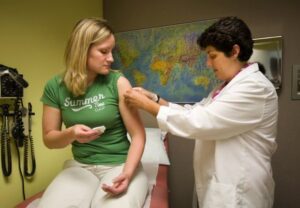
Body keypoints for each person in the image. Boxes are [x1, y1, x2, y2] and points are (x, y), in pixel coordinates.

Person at [124, 16, 278, 208]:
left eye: (212, 56)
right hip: (219, 186)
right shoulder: (226, 86)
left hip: (239, 191)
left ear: (234, 51)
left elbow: (200, 121)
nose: (208, 64)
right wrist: (154, 98)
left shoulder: (255, 88)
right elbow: (194, 111)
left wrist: (146, 106)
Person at [39, 17, 148, 208]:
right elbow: (49, 139)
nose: (111, 58)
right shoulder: (55, 87)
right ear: (82, 50)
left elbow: (138, 135)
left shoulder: (118, 82)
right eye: (103, 51)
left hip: (119, 164)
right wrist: (70, 133)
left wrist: (128, 174)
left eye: (111, 51)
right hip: (81, 167)